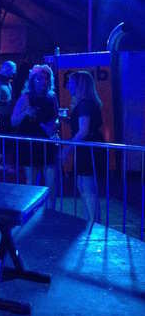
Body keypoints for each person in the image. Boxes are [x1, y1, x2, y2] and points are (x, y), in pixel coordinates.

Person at [62, 71, 104, 224]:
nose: (68, 86)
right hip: (88, 148)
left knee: (87, 188)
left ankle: (94, 223)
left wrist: (67, 149)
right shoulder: (86, 103)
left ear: (79, 85)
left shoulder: (85, 104)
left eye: (71, 83)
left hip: (88, 150)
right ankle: (91, 222)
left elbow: (84, 130)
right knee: (84, 186)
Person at [11, 64, 59, 200]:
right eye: (39, 79)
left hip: (47, 143)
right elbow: (13, 121)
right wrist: (26, 112)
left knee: (51, 183)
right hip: (30, 144)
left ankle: (50, 213)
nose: (43, 82)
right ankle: (30, 216)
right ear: (32, 80)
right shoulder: (26, 97)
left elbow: (55, 118)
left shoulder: (52, 97)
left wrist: (54, 126)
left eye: (46, 79)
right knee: (31, 184)